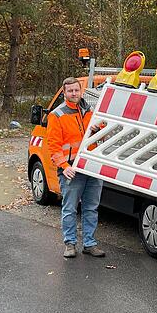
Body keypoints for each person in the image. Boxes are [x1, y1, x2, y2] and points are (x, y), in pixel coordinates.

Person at [47, 77, 105, 258]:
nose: (73, 94)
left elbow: (101, 130)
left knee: (91, 208)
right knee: (70, 208)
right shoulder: (57, 115)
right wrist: (64, 166)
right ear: (64, 93)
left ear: (81, 91)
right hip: (71, 169)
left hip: (91, 166)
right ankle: (70, 244)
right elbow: (53, 146)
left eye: (76, 90)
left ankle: (89, 243)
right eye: (70, 91)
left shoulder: (89, 111)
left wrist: (99, 128)